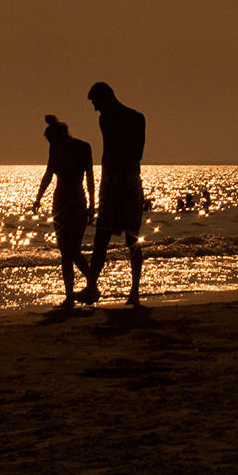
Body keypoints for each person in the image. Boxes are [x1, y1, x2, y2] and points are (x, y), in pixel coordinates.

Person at [76, 82, 146, 307]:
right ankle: (92, 287)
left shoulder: (134, 118)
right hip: (112, 182)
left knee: (130, 240)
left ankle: (133, 290)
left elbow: (135, 153)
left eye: (96, 103)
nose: (95, 109)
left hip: (125, 183)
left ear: (106, 98)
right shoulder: (108, 118)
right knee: (102, 238)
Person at [33, 114, 94, 309]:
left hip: (71, 202)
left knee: (71, 251)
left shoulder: (81, 147)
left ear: (57, 136)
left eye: (51, 139)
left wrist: (93, 204)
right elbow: (49, 174)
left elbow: (89, 178)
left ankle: (89, 287)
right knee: (67, 252)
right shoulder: (77, 147)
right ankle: (73, 294)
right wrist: (38, 197)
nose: (51, 143)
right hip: (67, 203)